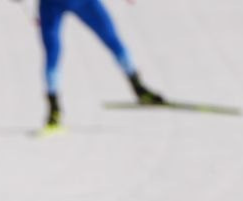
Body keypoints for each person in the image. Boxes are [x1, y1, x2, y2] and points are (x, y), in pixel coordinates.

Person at [19, 0, 165, 128]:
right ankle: (54, 107)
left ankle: (138, 87)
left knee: (112, 39)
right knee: (53, 52)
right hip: (53, 4)